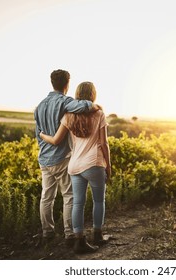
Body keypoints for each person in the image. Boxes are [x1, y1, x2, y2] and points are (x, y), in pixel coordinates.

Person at [40, 81, 111, 254]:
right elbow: (103, 143)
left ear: (77, 95)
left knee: (78, 202)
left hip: (74, 165)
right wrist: (108, 165)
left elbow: (56, 140)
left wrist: (42, 135)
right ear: (93, 95)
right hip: (94, 163)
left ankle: (79, 240)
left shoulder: (68, 116)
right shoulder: (99, 113)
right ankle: (97, 235)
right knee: (98, 200)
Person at [34, 70, 99, 246]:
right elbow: (85, 106)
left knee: (46, 196)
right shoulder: (65, 102)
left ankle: (47, 232)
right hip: (61, 158)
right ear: (67, 83)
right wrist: (94, 106)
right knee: (69, 196)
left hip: (44, 158)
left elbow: (38, 134)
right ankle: (69, 234)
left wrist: (44, 147)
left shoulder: (39, 105)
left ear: (52, 83)